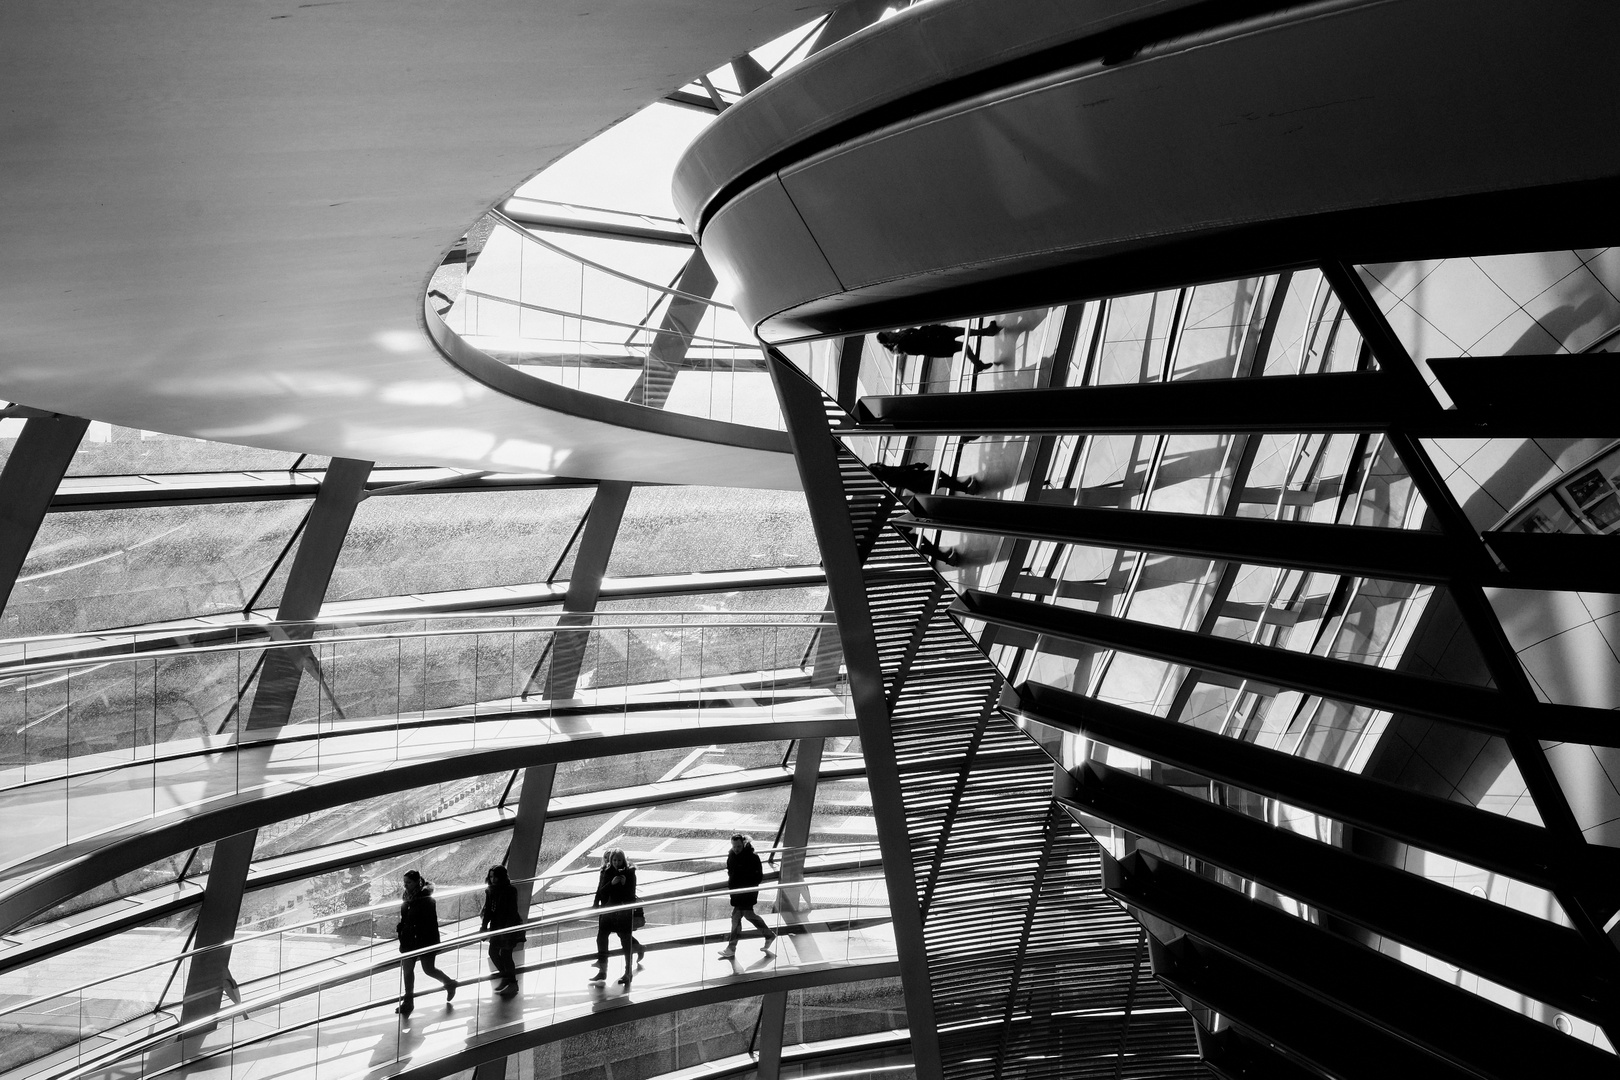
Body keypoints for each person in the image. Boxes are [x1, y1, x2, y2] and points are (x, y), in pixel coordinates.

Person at [395, 869, 457, 1017]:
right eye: (404, 883)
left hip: (424, 940)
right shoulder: (407, 897)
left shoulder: (426, 899)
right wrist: (403, 930)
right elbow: (406, 918)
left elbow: (429, 924)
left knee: (428, 969)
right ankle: (408, 1001)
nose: (405, 886)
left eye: (408, 883)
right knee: (407, 969)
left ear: (417, 882)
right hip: (410, 939)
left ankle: (449, 983)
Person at [590, 848, 645, 986]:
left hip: (623, 911)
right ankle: (603, 970)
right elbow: (601, 890)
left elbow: (630, 895)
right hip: (608, 910)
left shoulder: (630, 873)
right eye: (614, 860)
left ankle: (628, 972)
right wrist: (612, 883)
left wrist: (624, 883)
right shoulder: (606, 872)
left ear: (623, 860)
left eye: (619, 860)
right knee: (601, 937)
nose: (616, 862)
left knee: (625, 940)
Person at [717, 833, 776, 959]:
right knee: (748, 915)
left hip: (747, 893)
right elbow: (731, 871)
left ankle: (731, 947)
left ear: (743, 844)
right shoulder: (732, 855)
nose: (736, 849)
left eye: (738, 846)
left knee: (736, 917)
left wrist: (744, 885)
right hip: (737, 893)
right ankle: (769, 935)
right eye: (734, 846)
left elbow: (758, 876)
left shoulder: (752, 857)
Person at [876, 322, 1001, 370]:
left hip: (938, 334)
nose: (890, 332)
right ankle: (978, 364)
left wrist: (930, 328)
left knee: (963, 330)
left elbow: (918, 331)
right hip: (940, 344)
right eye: (888, 334)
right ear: (889, 340)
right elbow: (923, 346)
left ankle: (986, 332)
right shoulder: (903, 346)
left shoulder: (902, 337)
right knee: (965, 346)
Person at [480, 865, 523, 998]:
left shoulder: (510, 891)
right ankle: (507, 978)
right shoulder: (490, 891)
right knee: (493, 953)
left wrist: (507, 930)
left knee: (505, 955)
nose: (493, 879)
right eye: (491, 876)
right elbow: (488, 910)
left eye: (495, 876)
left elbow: (512, 911)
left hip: (507, 927)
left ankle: (511, 982)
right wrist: (484, 926)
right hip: (497, 926)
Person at [868, 460, 979, 496]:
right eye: (877, 467)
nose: (879, 465)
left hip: (920, 480)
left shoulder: (889, 473)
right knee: (941, 479)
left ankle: (963, 487)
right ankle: (967, 490)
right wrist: (917, 468)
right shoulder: (890, 479)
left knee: (940, 476)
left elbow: (904, 469)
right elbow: (908, 479)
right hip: (921, 485)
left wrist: (917, 466)